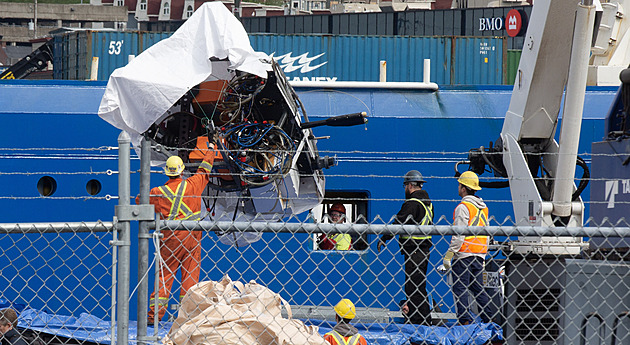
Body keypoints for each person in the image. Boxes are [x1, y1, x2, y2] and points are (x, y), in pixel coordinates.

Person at [143, 142, 216, 322]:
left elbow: (141, 202)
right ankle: (189, 317)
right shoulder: (193, 184)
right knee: (190, 276)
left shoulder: (157, 192)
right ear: (182, 171)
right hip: (192, 236)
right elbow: (204, 170)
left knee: (164, 276)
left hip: (171, 239)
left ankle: (154, 318)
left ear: (167, 172)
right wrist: (212, 149)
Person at [377, 170, 434, 326]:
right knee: (419, 286)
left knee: (412, 286)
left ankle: (418, 321)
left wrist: (385, 238)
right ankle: (424, 320)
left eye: (405, 186)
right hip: (423, 250)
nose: (405, 190)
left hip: (414, 250)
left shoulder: (412, 203)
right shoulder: (427, 203)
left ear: (410, 185)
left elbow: (398, 222)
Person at [443, 171, 493, 325]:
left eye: (459, 185)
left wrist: (449, 255)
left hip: (464, 254)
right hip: (479, 255)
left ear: (464, 188)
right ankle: (490, 319)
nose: (458, 188)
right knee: (478, 289)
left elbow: (459, 234)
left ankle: (465, 321)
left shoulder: (463, 207)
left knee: (460, 288)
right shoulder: (483, 208)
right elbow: (487, 231)